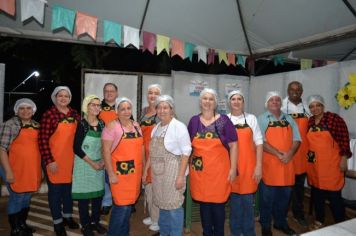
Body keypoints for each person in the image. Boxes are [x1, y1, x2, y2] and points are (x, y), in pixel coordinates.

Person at [188, 88, 237, 236]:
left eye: (211, 99)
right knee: (204, 204)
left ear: (215, 103)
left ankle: (219, 233)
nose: (207, 102)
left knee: (218, 205)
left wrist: (233, 169)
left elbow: (233, 145)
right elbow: (188, 146)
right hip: (200, 172)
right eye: (204, 98)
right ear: (200, 101)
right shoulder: (194, 121)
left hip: (219, 171)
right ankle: (207, 233)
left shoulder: (223, 121)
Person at [142, 95, 191, 236]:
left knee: (174, 207)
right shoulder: (156, 128)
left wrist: (181, 176)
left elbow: (186, 152)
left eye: (165, 107)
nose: (162, 110)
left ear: (171, 110)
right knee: (162, 205)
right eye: (159, 107)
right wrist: (146, 172)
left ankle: (175, 233)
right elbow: (152, 153)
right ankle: (164, 232)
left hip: (173, 173)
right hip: (158, 175)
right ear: (156, 110)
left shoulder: (179, 127)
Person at [257, 91, 301, 236]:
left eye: (277, 100)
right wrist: (278, 153)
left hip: (287, 165)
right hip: (270, 166)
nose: (275, 102)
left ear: (281, 103)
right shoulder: (262, 119)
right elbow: (260, 141)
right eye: (271, 100)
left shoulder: (289, 118)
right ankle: (265, 225)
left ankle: (281, 223)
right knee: (267, 200)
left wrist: (290, 153)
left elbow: (297, 139)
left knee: (284, 199)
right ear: (267, 103)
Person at [39, 86, 80, 236]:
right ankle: (57, 223)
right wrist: (49, 161)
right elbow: (42, 140)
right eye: (60, 96)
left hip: (70, 160)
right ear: (55, 97)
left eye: (66, 96)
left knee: (68, 192)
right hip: (54, 160)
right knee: (55, 193)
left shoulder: (75, 114)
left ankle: (67, 216)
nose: (63, 98)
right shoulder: (49, 114)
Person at [306, 95, 352, 230]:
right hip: (315, 165)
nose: (315, 108)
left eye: (318, 105)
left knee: (334, 196)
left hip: (332, 164)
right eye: (312, 106)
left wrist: (344, 158)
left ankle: (341, 224)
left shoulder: (334, 119)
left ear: (323, 106)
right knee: (317, 195)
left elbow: (344, 139)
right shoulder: (310, 122)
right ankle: (319, 220)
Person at [102, 97, 143, 236]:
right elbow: (106, 151)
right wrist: (111, 173)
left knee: (128, 207)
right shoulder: (111, 126)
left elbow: (141, 148)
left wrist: (143, 170)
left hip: (134, 174)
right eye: (122, 109)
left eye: (128, 108)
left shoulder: (136, 125)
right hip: (118, 174)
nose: (126, 112)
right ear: (117, 111)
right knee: (121, 207)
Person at [0, 98, 41, 236]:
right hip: (13, 167)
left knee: (27, 196)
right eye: (22, 108)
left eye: (28, 108)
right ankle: (15, 229)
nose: (25, 111)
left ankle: (22, 224)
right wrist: (8, 172)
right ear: (16, 110)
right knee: (17, 197)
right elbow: (2, 150)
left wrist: (39, 170)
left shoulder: (37, 125)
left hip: (30, 168)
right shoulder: (10, 124)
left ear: (33, 110)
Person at [227, 90, 263, 236]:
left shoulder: (251, 118)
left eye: (239, 99)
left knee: (248, 205)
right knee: (235, 205)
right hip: (231, 167)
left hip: (249, 167)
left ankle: (249, 233)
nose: (236, 101)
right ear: (229, 102)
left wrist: (259, 166)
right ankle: (235, 232)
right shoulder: (224, 119)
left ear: (243, 101)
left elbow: (259, 142)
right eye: (233, 99)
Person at [72, 95, 107, 236]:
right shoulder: (82, 124)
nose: (96, 107)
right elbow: (76, 148)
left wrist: (103, 161)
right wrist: (92, 163)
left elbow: (105, 145)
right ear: (86, 107)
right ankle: (85, 225)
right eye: (93, 105)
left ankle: (95, 222)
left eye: (98, 105)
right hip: (84, 164)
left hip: (99, 163)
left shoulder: (102, 124)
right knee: (84, 198)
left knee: (98, 197)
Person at [281, 81, 310, 227]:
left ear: (302, 91)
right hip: (287, 152)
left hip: (302, 154)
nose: (295, 92)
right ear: (287, 90)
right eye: (292, 89)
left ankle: (299, 214)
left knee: (299, 187)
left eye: (298, 89)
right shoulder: (281, 106)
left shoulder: (307, 107)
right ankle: (282, 214)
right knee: (285, 186)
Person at [139, 84, 161, 232]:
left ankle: (157, 219)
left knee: (155, 188)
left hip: (155, 156)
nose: (152, 96)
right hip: (143, 154)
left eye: (156, 93)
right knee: (147, 187)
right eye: (150, 93)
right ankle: (153, 216)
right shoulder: (143, 111)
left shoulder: (161, 112)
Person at [98, 83, 118, 215]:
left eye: (112, 91)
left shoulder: (122, 107)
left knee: (118, 174)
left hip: (119, 148)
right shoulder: (97, 107)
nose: (109, 93)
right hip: (102, 147)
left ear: (117, 93)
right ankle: (106, 201)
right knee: (105, 176)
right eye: (106, 91)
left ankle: (119, 200)